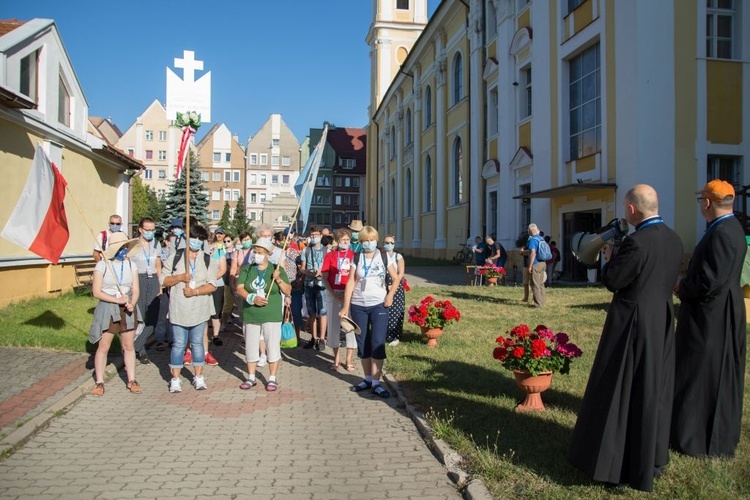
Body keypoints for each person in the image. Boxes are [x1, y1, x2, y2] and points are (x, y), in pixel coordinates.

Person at [568, 184, 683, 492]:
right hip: (660, 321)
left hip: (632, 323)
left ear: (632, 210)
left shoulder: (636, 243)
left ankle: (616, 465)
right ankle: (654, 457)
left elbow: (614, 281)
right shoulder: (674, 239)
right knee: (653, 388)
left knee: (622, 389)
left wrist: (609, 257)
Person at [671, 179, 746, 458]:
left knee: (700, 373)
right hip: (718, 311)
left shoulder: (722, 233)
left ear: (707, 203)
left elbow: (709, 281)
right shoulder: (731, 228)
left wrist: (680, 285)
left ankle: (695, 436)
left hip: (711, 316)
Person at [339, 226, 399, 399]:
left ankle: (376, 382)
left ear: (376, 240)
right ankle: (366, 379)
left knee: (377, 342)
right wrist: (345, 306)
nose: (368, 243)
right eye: (365, 240)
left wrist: (390, 295)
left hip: (379, 304)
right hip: (358, 304)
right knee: (363, 342)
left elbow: (396, 278)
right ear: (361, 242)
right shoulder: (356, 257)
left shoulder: (384, 256)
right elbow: (351, 282)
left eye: (371, 240)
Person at [161, 224, 220, 393]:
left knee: (197, 343)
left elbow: (212, 285)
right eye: (194, 238)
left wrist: (195, 291)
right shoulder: (176, 257)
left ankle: (198, 376)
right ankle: (175, 379)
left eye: (200, 239)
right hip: (179, 307)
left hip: (199, 308)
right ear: (187, 238)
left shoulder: (208, 260)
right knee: (179, 344)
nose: (197, 242)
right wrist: (179, 277)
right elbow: (163, 280)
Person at [88, 232, 141, 395]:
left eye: (126, 247)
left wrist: (132, 303)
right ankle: (99, 381)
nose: (124, 250)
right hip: (108, 307)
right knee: (104, 346)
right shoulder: (102, 265)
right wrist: (116, 300)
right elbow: (96, 292)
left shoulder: (131, 265)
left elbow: (136, 289)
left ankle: (131, 380)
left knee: (129, 345)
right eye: (121, 247)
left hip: (127, 307)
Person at [235, 239, 291, 392]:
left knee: (272, 346)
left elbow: (287, 290)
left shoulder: (276, 269)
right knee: (251, 346)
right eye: (255, 252)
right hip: (251, 314)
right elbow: (239, 288)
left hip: (271, 315)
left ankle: (272, 377)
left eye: (260, 252)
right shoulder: (247, 269)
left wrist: (278, 279)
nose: (256, 255)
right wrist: (251, 298)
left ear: (268, 255)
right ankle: (251, 376)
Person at [321, 228, 356, 371]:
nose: (345, 242)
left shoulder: (354, 255)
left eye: (347, 240)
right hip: (333, 293)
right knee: (334, 325)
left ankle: (349, 358)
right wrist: (333, 294)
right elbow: (324, 277)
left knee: (350, 326)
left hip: (350, 294)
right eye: (342, 240)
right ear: (337, 241)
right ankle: (336, 357)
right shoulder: (330, 256)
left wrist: (350, 294)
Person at [129, 217, 162, 365]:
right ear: (141, 230)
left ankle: (134, 346)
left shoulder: (156, 244)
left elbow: (158, 264)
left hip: (153, 279)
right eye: (147, 230)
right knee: (140, 316)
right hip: (139, 278)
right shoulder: (133, 244)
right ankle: (141, 351)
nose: (150, 233)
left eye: (152, 230)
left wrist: (160, 284)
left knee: (153, 317)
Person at [301, 226, 328, 351]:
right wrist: (307, 272)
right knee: (311, 312)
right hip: (309, 284)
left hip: (322, 285)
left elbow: (329, 267)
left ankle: (322, 338)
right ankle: (314, 338)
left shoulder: (326, 251)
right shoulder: (306, 250)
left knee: (322, 312)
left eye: (316, 235)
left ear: (321, 236)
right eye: (312, 235)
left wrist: (321, 271)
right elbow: (302, 267)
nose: (313, 237)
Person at [275, 231, 305, 343]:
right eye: (283, 240)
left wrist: (300, 279)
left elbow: (302, 265)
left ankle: (297, 336)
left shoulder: (294, 253)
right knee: (281, 313)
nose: (286, 242)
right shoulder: (275, 254)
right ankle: (279, 337)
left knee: (296, 312)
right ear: (277, 241)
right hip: (279, 287)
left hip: (294, 286)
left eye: (287, 239)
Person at [383, 235, 405, 347]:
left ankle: (395, 336)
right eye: (387, 242)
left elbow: (400, 273)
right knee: (384, 311)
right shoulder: (381, 255)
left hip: (396, 287)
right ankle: (384, 334)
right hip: (383, 286)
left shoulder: (398, 256)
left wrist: (393, 285)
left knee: (395, 312)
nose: (389, 245)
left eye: (391, 243)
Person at [524, 224, 546, 307]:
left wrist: (530, 265)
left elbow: (533, 253)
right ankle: (542, 302)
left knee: (535, 284)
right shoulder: (541, 238)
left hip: (536, 263)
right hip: (543, 263)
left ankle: (538, 304)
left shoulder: (532, 240)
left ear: (529, 231)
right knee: (541, 284)